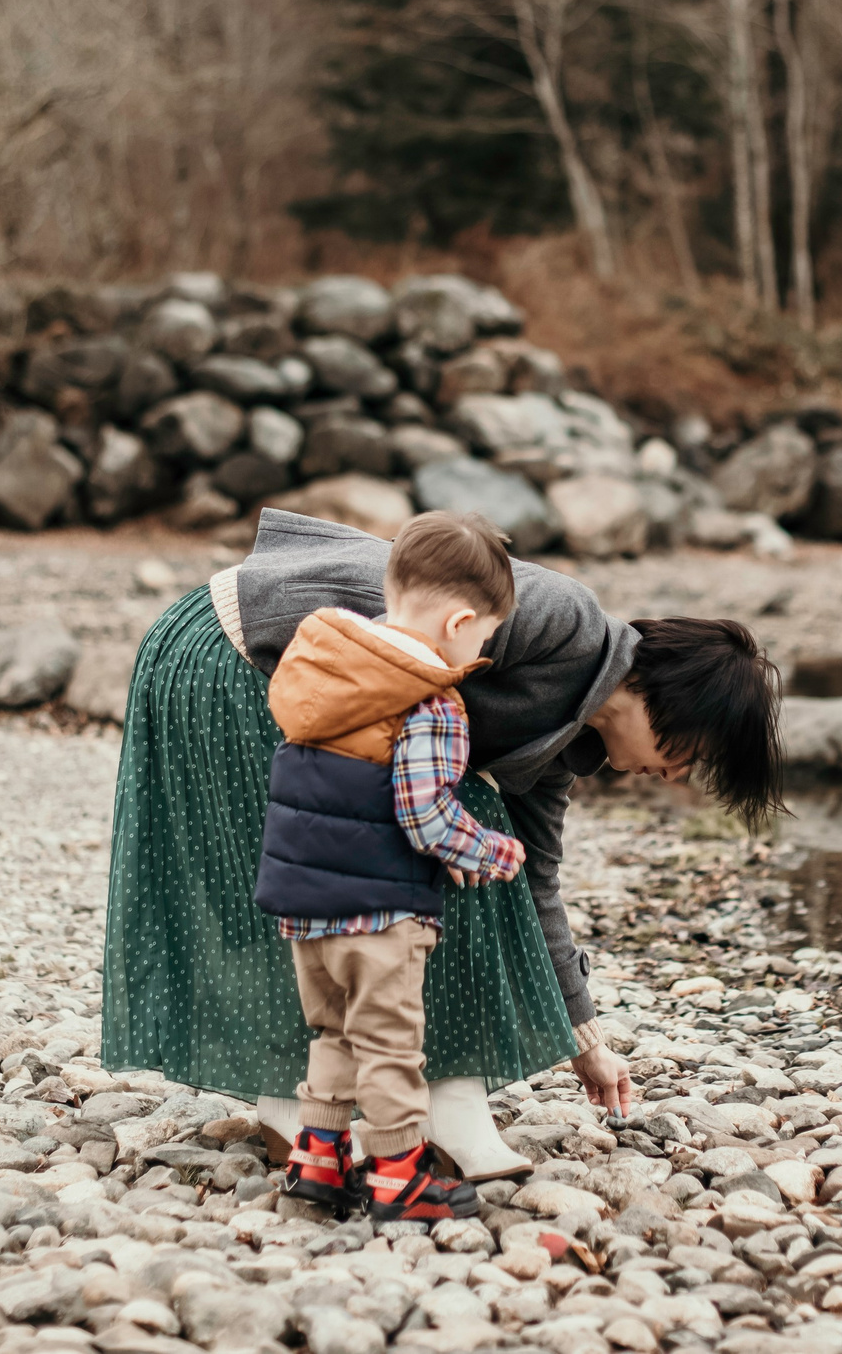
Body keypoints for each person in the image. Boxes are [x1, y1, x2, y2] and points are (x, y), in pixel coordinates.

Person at [101, 505, 781, 1169]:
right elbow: (385, 640)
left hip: (301, 669)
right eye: (692, 752)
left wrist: (585, 1036)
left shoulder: (556, 753)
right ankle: (330, 1106)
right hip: (242, 645)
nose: (679, 773)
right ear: (681, 704)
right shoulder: (564, 619)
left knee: (463, 852)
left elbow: (533, 884)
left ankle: (420, 1103)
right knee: (318, 878)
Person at [256, 511, 526, 1223]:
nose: (480, 649)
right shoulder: (428, 698)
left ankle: (317, 1161)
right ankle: (400, 1174)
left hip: (306, 908)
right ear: (459, 621)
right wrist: (494, 849)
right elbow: (425, 815)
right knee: (390, 1045)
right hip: (382, 912)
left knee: (335, 1034)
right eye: (485, 637)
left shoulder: (322, 668)